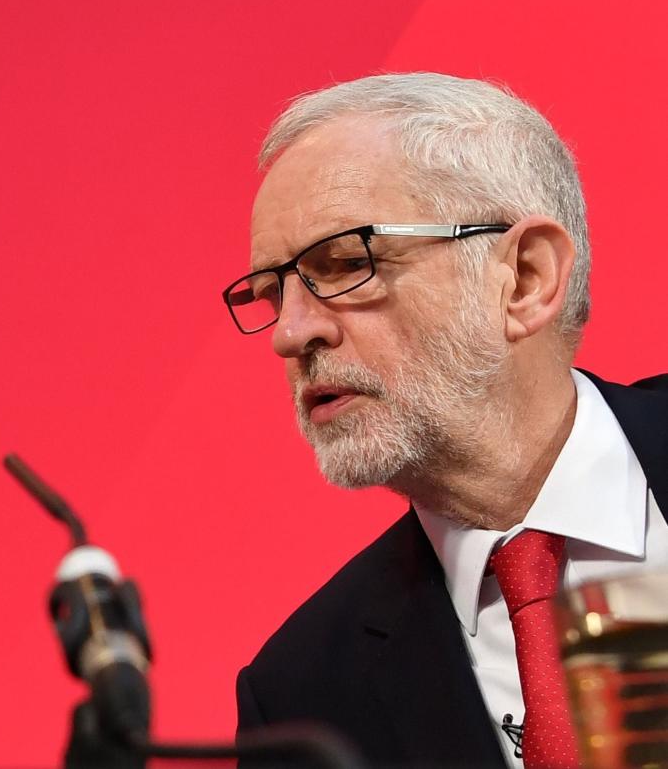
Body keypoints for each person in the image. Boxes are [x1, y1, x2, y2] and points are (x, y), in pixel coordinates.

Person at [226, 73, 668, 768]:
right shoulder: (302, 696)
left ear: (524, 278)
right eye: (271, 293)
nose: (290, 332)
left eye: (343, 264)